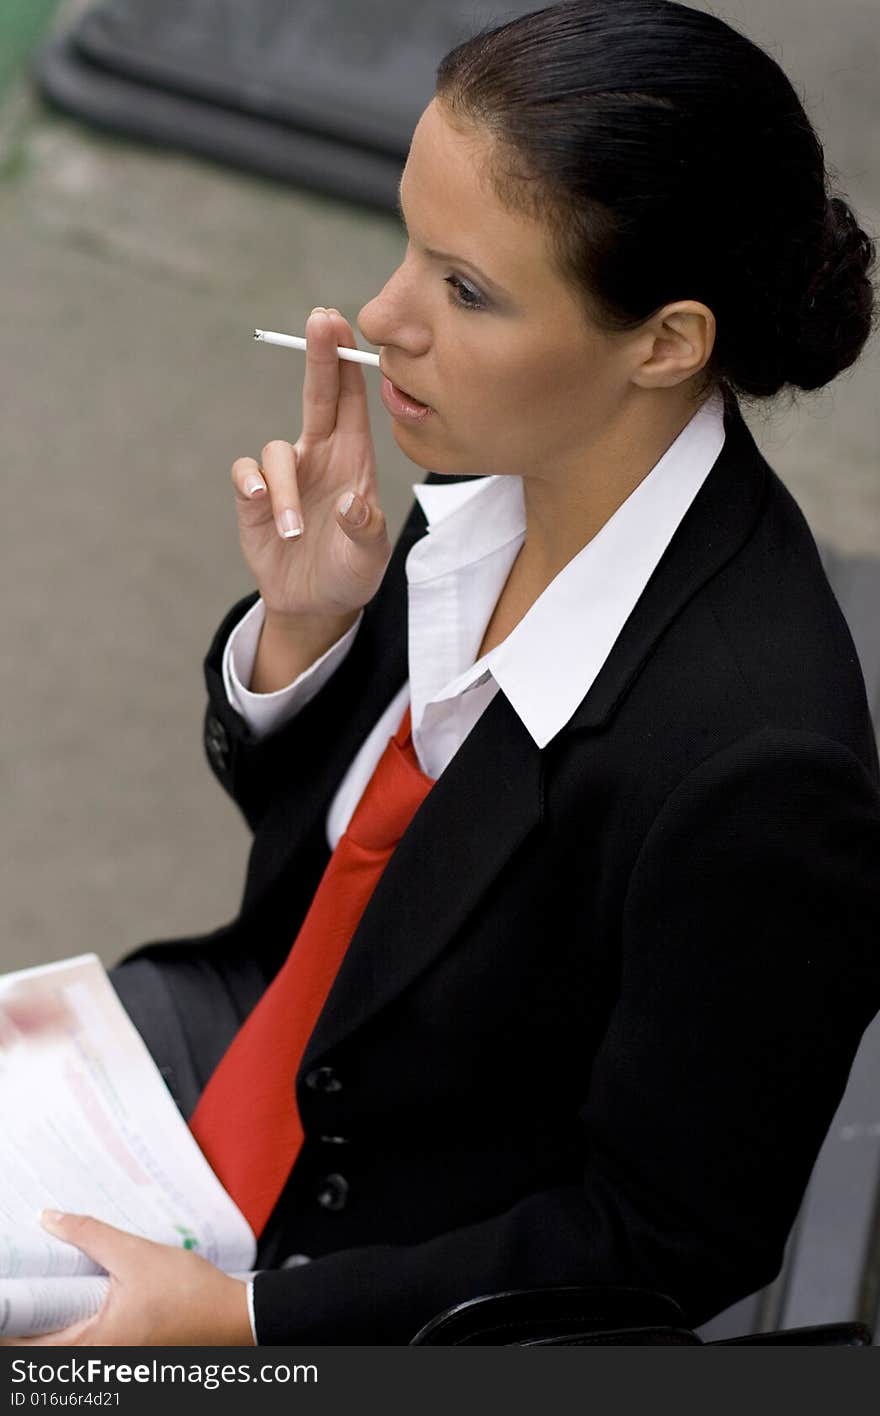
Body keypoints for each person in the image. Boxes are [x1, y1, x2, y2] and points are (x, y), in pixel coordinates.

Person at [14, 0, 880, 1346]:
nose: (382, 317)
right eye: (409, 245)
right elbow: (356, 878)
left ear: (666, 341)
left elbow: (663, 1241)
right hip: (231, 1058)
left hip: (366, 1268)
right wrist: (299, 641)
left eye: (465, 288)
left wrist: (243, 1323)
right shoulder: (493, 462)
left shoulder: (761, 767)